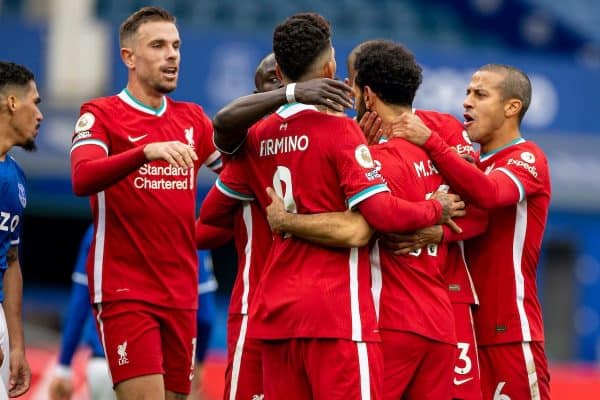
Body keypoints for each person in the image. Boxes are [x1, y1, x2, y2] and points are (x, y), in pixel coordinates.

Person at [201, 13, 464, 399]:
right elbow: (375, 219)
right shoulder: (340, 130)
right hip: (337, 313)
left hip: (275, 313)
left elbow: (220, 142)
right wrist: (435, 211)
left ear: (279, 70)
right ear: (329, 68)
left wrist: (286, 220)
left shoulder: (258, 136)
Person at [69, 7, 223, 399]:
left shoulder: (194, 120)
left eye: (176, 46)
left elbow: (239, 179)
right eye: (158, 45)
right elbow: (82, 178)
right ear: (129, 57)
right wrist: (144, 152)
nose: (172, 55)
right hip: (126, 292)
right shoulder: (100, 114)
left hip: (182, 292)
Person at [392, 64, 551, 399]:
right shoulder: (469, 166)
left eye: (480, 94)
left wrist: (432, 142)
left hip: (509, 329)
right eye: (466, 93)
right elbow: (469, 219)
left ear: (511, 107)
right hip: (461, 325)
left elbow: (490, 195)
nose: (466, 102)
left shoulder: (527, 157)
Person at [48, 225, 220, 400]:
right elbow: (205, 316)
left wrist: (64, 366)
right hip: (161, 373)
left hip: (104, 364)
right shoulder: (184, 230)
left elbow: (79, 304)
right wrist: (197, 364)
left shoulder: (100, 226)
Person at [0, 60, 39, 398]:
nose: (39, 115)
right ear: (12, 103)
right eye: (35, 103)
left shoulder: (16, 177)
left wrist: (17, 346)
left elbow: (10, 260)